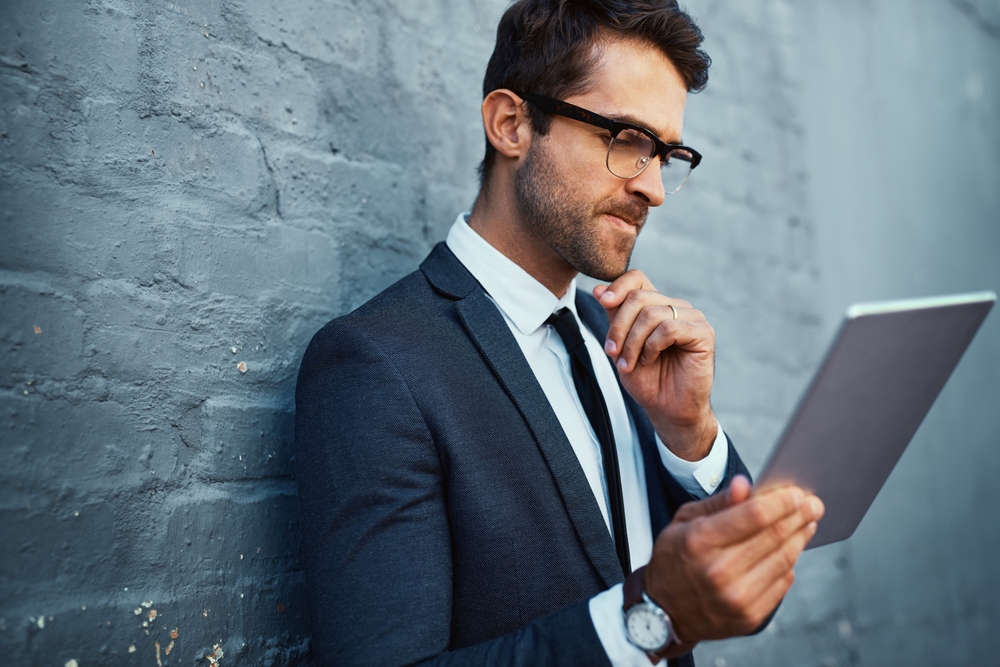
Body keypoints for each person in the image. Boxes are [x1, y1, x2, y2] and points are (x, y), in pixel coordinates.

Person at [294, 1, 825, 665]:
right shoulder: (378, 363)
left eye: (667, 153)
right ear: (511, 123)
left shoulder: (630, 344)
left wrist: (692, 433)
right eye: (628, 140)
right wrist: (647, 619)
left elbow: (744, 597)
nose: (655, 188)